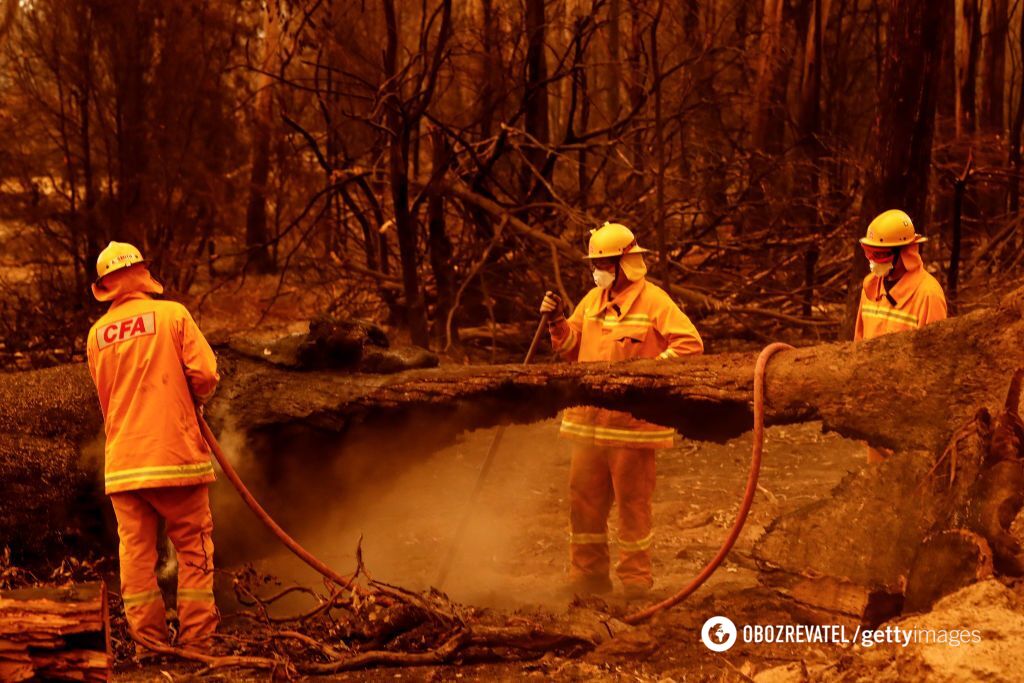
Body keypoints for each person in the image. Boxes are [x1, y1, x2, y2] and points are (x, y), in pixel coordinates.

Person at [540, 222, 703, 599]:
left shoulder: (654, 301)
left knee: (632, 506)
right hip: (587, 423)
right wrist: (556, 320)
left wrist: (646, 374)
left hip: (632, 428)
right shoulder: (592, 300)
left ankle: (635, 582)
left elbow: (689, 344)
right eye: (597, 264)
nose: (600, 270)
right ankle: (588, 574)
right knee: (583, 501)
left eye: (607, 263)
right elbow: (569, 346)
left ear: (626, 262)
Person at [85, 241, 220, 649]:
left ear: (105, 285)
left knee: (137, 560)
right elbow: (207, 374)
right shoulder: (172, 315)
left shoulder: (96, 336)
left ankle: (150, 645)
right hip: (175, 457)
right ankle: (197, 642)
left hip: (124, 465)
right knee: (194, 550)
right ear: (143, 273)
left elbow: (106, 396)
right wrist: (191, 398)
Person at [854, 209, 947, 462]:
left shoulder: (928, 295)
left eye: (880, 255)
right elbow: (859, 346)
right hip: (876, 411)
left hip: (911, 417)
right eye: (869, 253)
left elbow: (937, 365)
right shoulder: (870, 287)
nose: (873, 261)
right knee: (877, 485)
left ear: (903, 253)